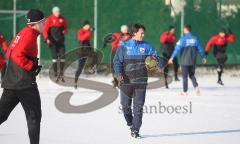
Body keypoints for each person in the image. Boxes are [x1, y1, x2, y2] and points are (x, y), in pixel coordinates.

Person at [0, 9, 44, 144]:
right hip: (24, 84)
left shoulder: (22, 32)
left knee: (2, 115)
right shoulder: (30, 34)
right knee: (34, 117)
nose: (44, 24)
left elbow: (8, 52)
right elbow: (16, 55)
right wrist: (31, 66)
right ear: (37, 22)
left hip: (11, 82)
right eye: (43, 21)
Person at [114, 23, 164, 138]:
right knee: (125, 105)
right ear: (134, 33)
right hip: (126, 80)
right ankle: (131, 123)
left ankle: (135, 129)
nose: (143, 35)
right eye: (141, 32)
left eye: (143, 32)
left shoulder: (146, 45)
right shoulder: (124, 45)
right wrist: (118, 73)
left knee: (138, 106)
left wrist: (159, 64)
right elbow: (117, 61)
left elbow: (155, 56)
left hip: (141, 81)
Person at [168, 24, 206, 96]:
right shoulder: (195, 39)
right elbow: (200, 49)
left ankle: (185, 92)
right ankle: (196, 87)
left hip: (184, 61)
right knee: (192, 75)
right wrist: (203, 57)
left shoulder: (183, 39)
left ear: (185, 30)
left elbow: (177, 49)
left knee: (185, 76)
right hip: (192, 61)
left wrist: (172, 57)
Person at [43, 6, 68, 82]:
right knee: (55, 58)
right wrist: (47, 39)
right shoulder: (49, 19)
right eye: (56, 12)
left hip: (60, 41)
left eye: (59, 11)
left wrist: (64, 31)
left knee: (63, 57)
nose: (58, 13)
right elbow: (45, 30)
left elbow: (65, 28)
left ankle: (61, 73)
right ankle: (55, 73)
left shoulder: (62, 19)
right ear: (53, 12)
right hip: (52, 41)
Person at [74, 20, 97, 88]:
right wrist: (90, 31)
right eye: (86, 25)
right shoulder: (80, 31)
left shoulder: (88, 31)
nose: (88, 26)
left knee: (95, 56)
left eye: (88, 25)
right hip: (82, 51)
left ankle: (90, 67)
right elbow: (82, 38)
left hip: (88, 49)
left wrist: (90, 31)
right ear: (83, 26)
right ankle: (75, 81)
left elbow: (88, 38)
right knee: (80, 68)